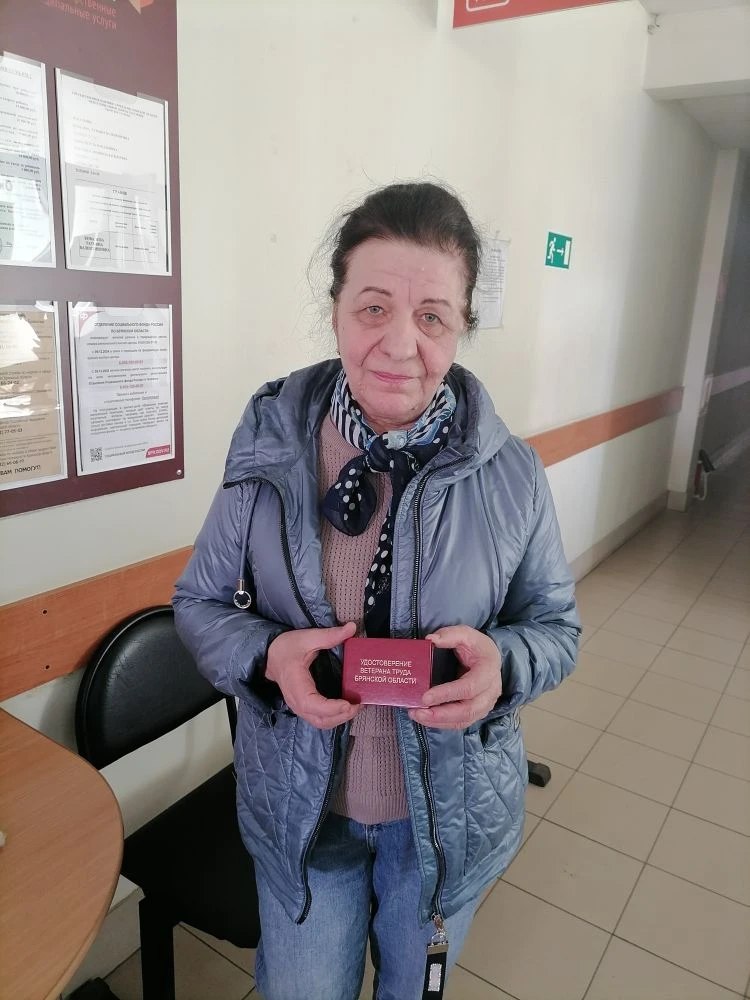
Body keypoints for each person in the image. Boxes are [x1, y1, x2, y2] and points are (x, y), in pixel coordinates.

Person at [173, 181, 580, 1000]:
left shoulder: (511, 473)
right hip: (303, 816)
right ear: (336, 311)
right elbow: (200, 604)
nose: (400, 344)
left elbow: (555, 628)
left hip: (442, 826)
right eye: (373, 308)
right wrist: (268, 657)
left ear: (462, 326)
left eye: (432, 316)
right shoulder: (270, 444)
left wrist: (502, 665)